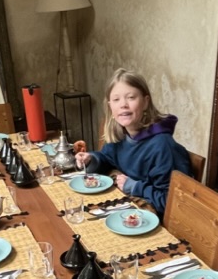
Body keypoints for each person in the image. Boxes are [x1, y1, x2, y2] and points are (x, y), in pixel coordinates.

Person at [75, 69, 192, 214]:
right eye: (116, 100)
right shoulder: (121, 134)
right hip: (127, 206)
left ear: (145, 102)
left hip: (154, 220)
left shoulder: (163, 146)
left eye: (131, 97)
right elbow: (107, 158)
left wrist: (136, 187)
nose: (123, 104)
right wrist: (91, 159)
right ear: (110, 106)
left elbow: (175, 203)